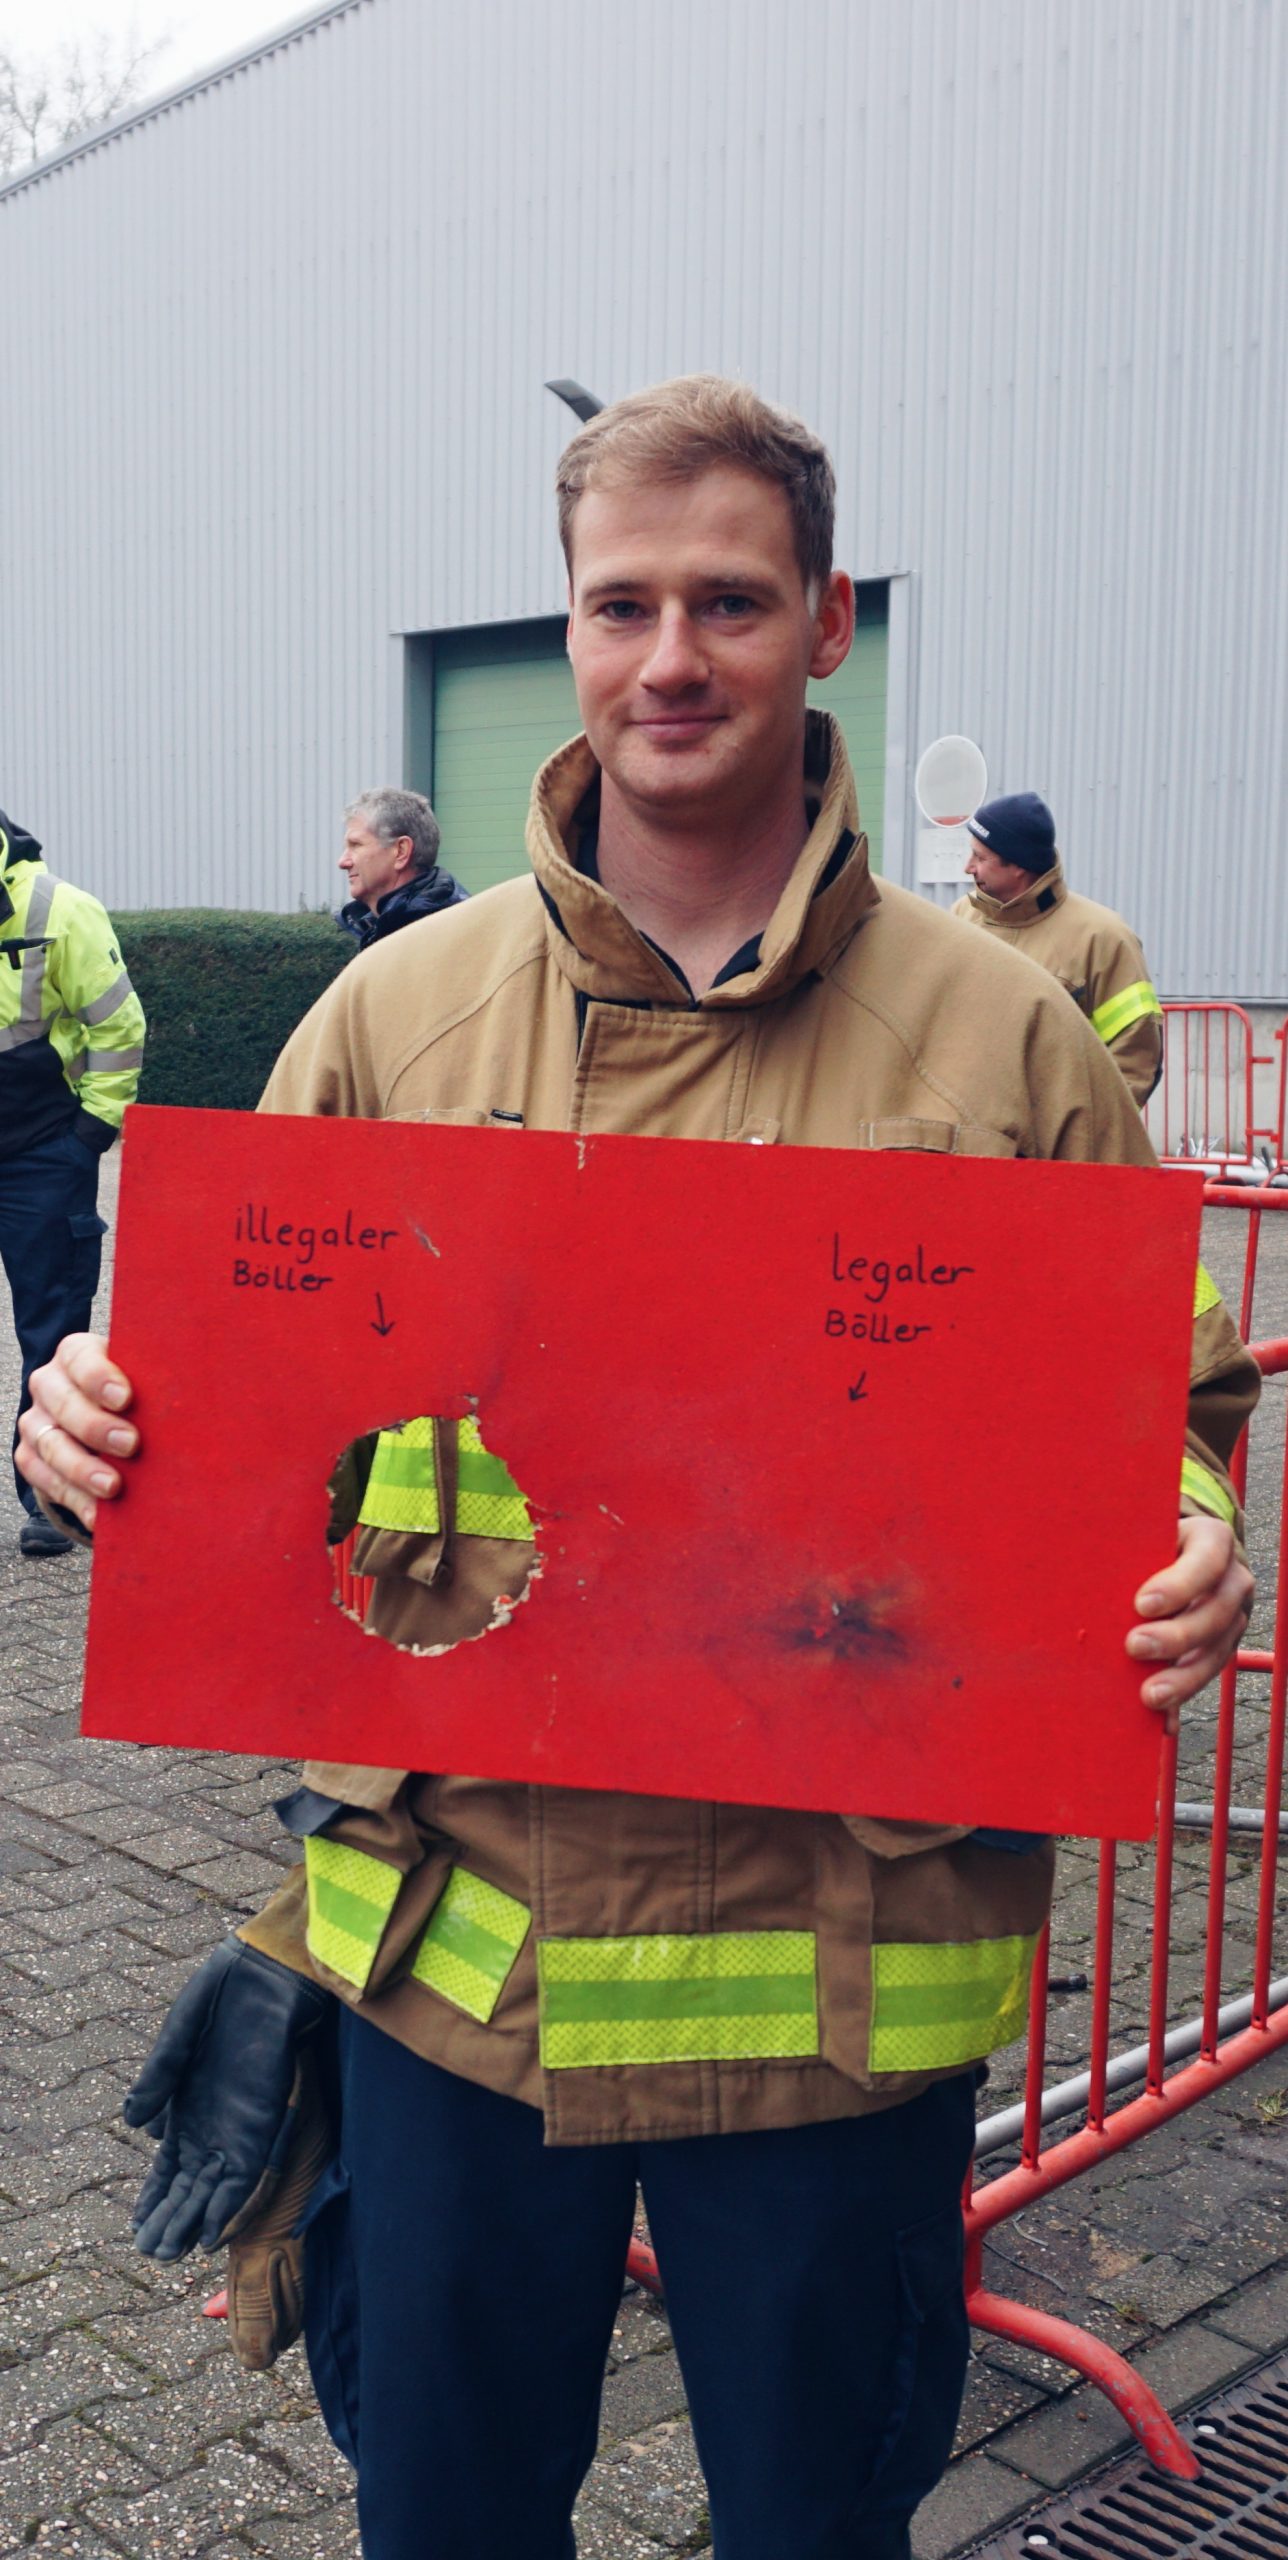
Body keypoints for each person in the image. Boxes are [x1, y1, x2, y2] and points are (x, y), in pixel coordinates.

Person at [20, 378, 1257, 2560]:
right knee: (449, 2514)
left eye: (728, 600)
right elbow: (222, 1396)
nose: (668, 654)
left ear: (828, 622)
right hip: (456, 1974)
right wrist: (94, 1424)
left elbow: (1172, 1403)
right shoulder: (393, 1019)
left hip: (839, 1997)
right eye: (620, 604)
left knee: (815, 2525)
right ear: (571, 626)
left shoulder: (1005, 1044)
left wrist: (1188, 1537)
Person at [0, 806, 144, 1559]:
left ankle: (51, 1499)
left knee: (52, 1328)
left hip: (39, 1155)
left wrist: (90, 1133)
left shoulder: (59, 910)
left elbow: (118, 1025)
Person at [953, 791, 1163, 1106]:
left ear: (1018, 866)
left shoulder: (1104, 938)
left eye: (980, 858)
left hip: (1057, 1133)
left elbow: (1134, 1057)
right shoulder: (962, 916)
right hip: (972, 1127)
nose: (968, 867)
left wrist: (1085, 1129)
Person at [335, 786, 466, 948]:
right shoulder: (379, 928)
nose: (343, 862)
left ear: (401, 851)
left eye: (356, 845)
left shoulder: (446, 938)